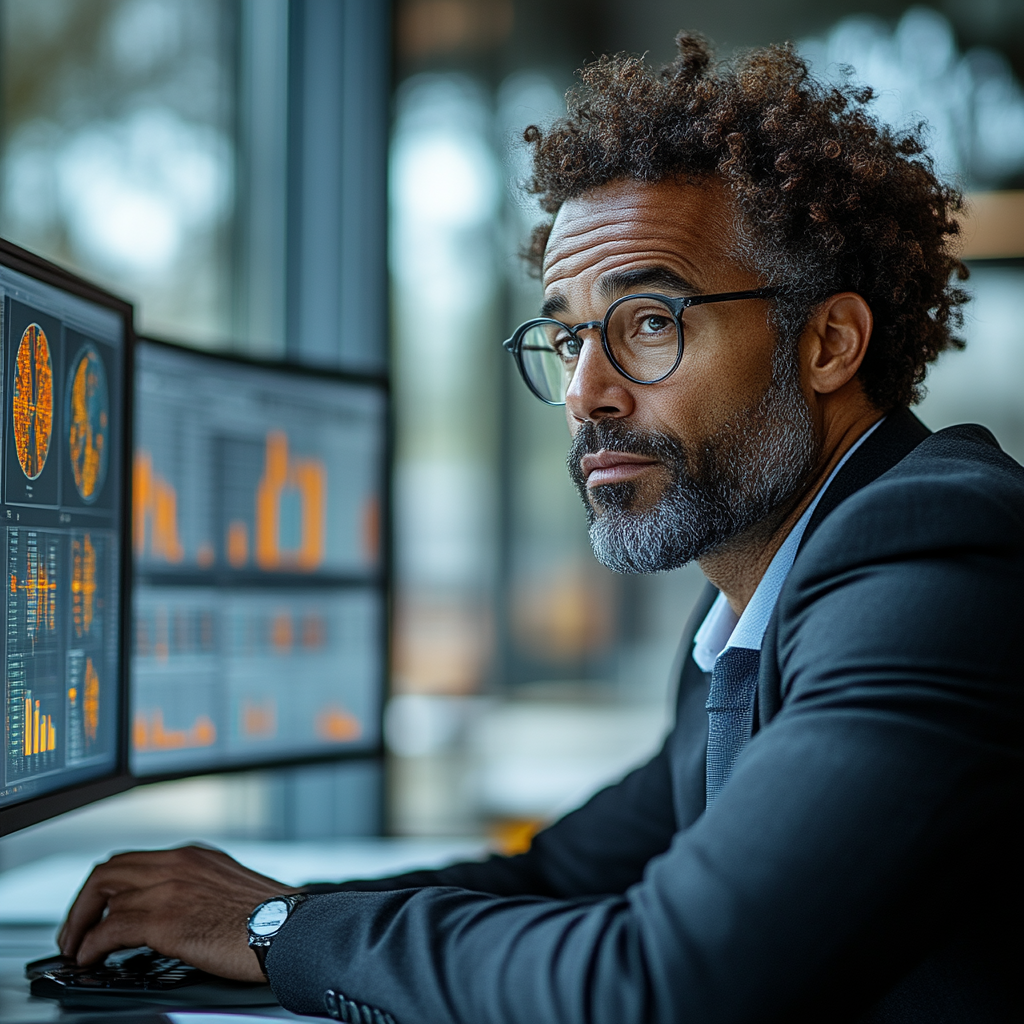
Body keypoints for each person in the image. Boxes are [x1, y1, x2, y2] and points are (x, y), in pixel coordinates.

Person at [59, 34, 1022, 1024]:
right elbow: (565, 874)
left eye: (648, 320)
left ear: (827, 343)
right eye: (567, 335)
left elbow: (666, 978)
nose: (584, 391)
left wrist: (274, 933)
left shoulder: (932, 557)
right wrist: (244, 916)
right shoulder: (751, 597)